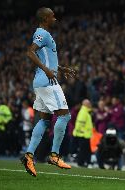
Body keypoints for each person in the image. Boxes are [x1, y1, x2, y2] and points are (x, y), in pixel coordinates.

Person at [21, 7, 76, 177]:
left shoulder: (45, 34)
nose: (55, 19)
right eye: (52, 16)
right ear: (45, 18)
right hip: (47, 82)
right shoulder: (42, 33)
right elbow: (29, 52)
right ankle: (54, 155)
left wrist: (61, 68)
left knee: (44, 121)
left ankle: (29, 155)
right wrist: (46, 70)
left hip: (41, 82)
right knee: (64, 116)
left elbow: (47, 59)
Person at [72, 99, 93, 167]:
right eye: (89, 103)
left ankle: (86, 162)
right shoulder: (84, 112)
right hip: (83, 134)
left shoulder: (85, 111)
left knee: (86, 149)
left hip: (85, 134)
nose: (90, 104)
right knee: (83, 150)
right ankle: (81, 162)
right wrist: (80, 131)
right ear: (85, 104)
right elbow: (79, 123)